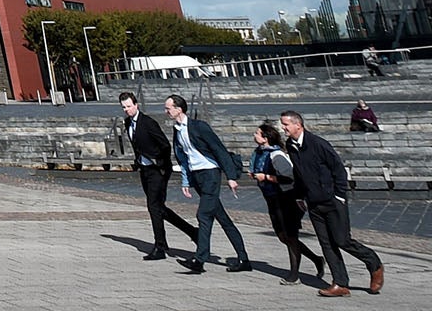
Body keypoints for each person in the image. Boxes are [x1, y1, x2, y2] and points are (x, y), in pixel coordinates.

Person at [281, 110, 384, 298]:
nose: (283, 128)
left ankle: (374, 263)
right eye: (283, 124)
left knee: (342, 240)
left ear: (298, 125)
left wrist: (339, 196)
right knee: (326, 244)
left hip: (332, 201)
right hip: (313, 203)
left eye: (286, 124)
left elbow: (338, 169)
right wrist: (299, 196)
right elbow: (299, 173)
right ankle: (340, 283)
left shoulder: (318, 144)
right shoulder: (291, 145)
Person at [164, 94, 252, 273]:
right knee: (223, 219)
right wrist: (186, 180)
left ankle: (199, 259)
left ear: (179, 108)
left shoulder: (199, 127)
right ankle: (244, 260)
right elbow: (184, 158)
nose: (166, 111)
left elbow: (219, 150)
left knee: (203, 215)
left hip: (210, 173)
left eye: (168, 108)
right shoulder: (177, 130)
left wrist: (231, 176)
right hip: (197, 176)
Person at [119, 91, 196, 260]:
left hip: (158, 170)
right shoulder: (127, 122)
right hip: (145, 169)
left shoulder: (148, 122)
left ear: (136, 105)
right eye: (124, 107)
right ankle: (192, 232)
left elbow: (164, 145)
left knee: (153, 206)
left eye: (129, 106)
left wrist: (160, 164)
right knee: (159, 207)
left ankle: (159, 247)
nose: (127, 110)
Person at [251, 120, 326, 282]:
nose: (254, 135)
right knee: (282, 236)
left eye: (257, 133)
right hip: (272, 199)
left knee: (290, 236)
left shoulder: (276, 155)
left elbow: (289, 178)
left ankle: (294, 275)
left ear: (265, 138)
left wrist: (266, 177)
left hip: (287, 199)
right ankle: (316, 259)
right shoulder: (260, 153)